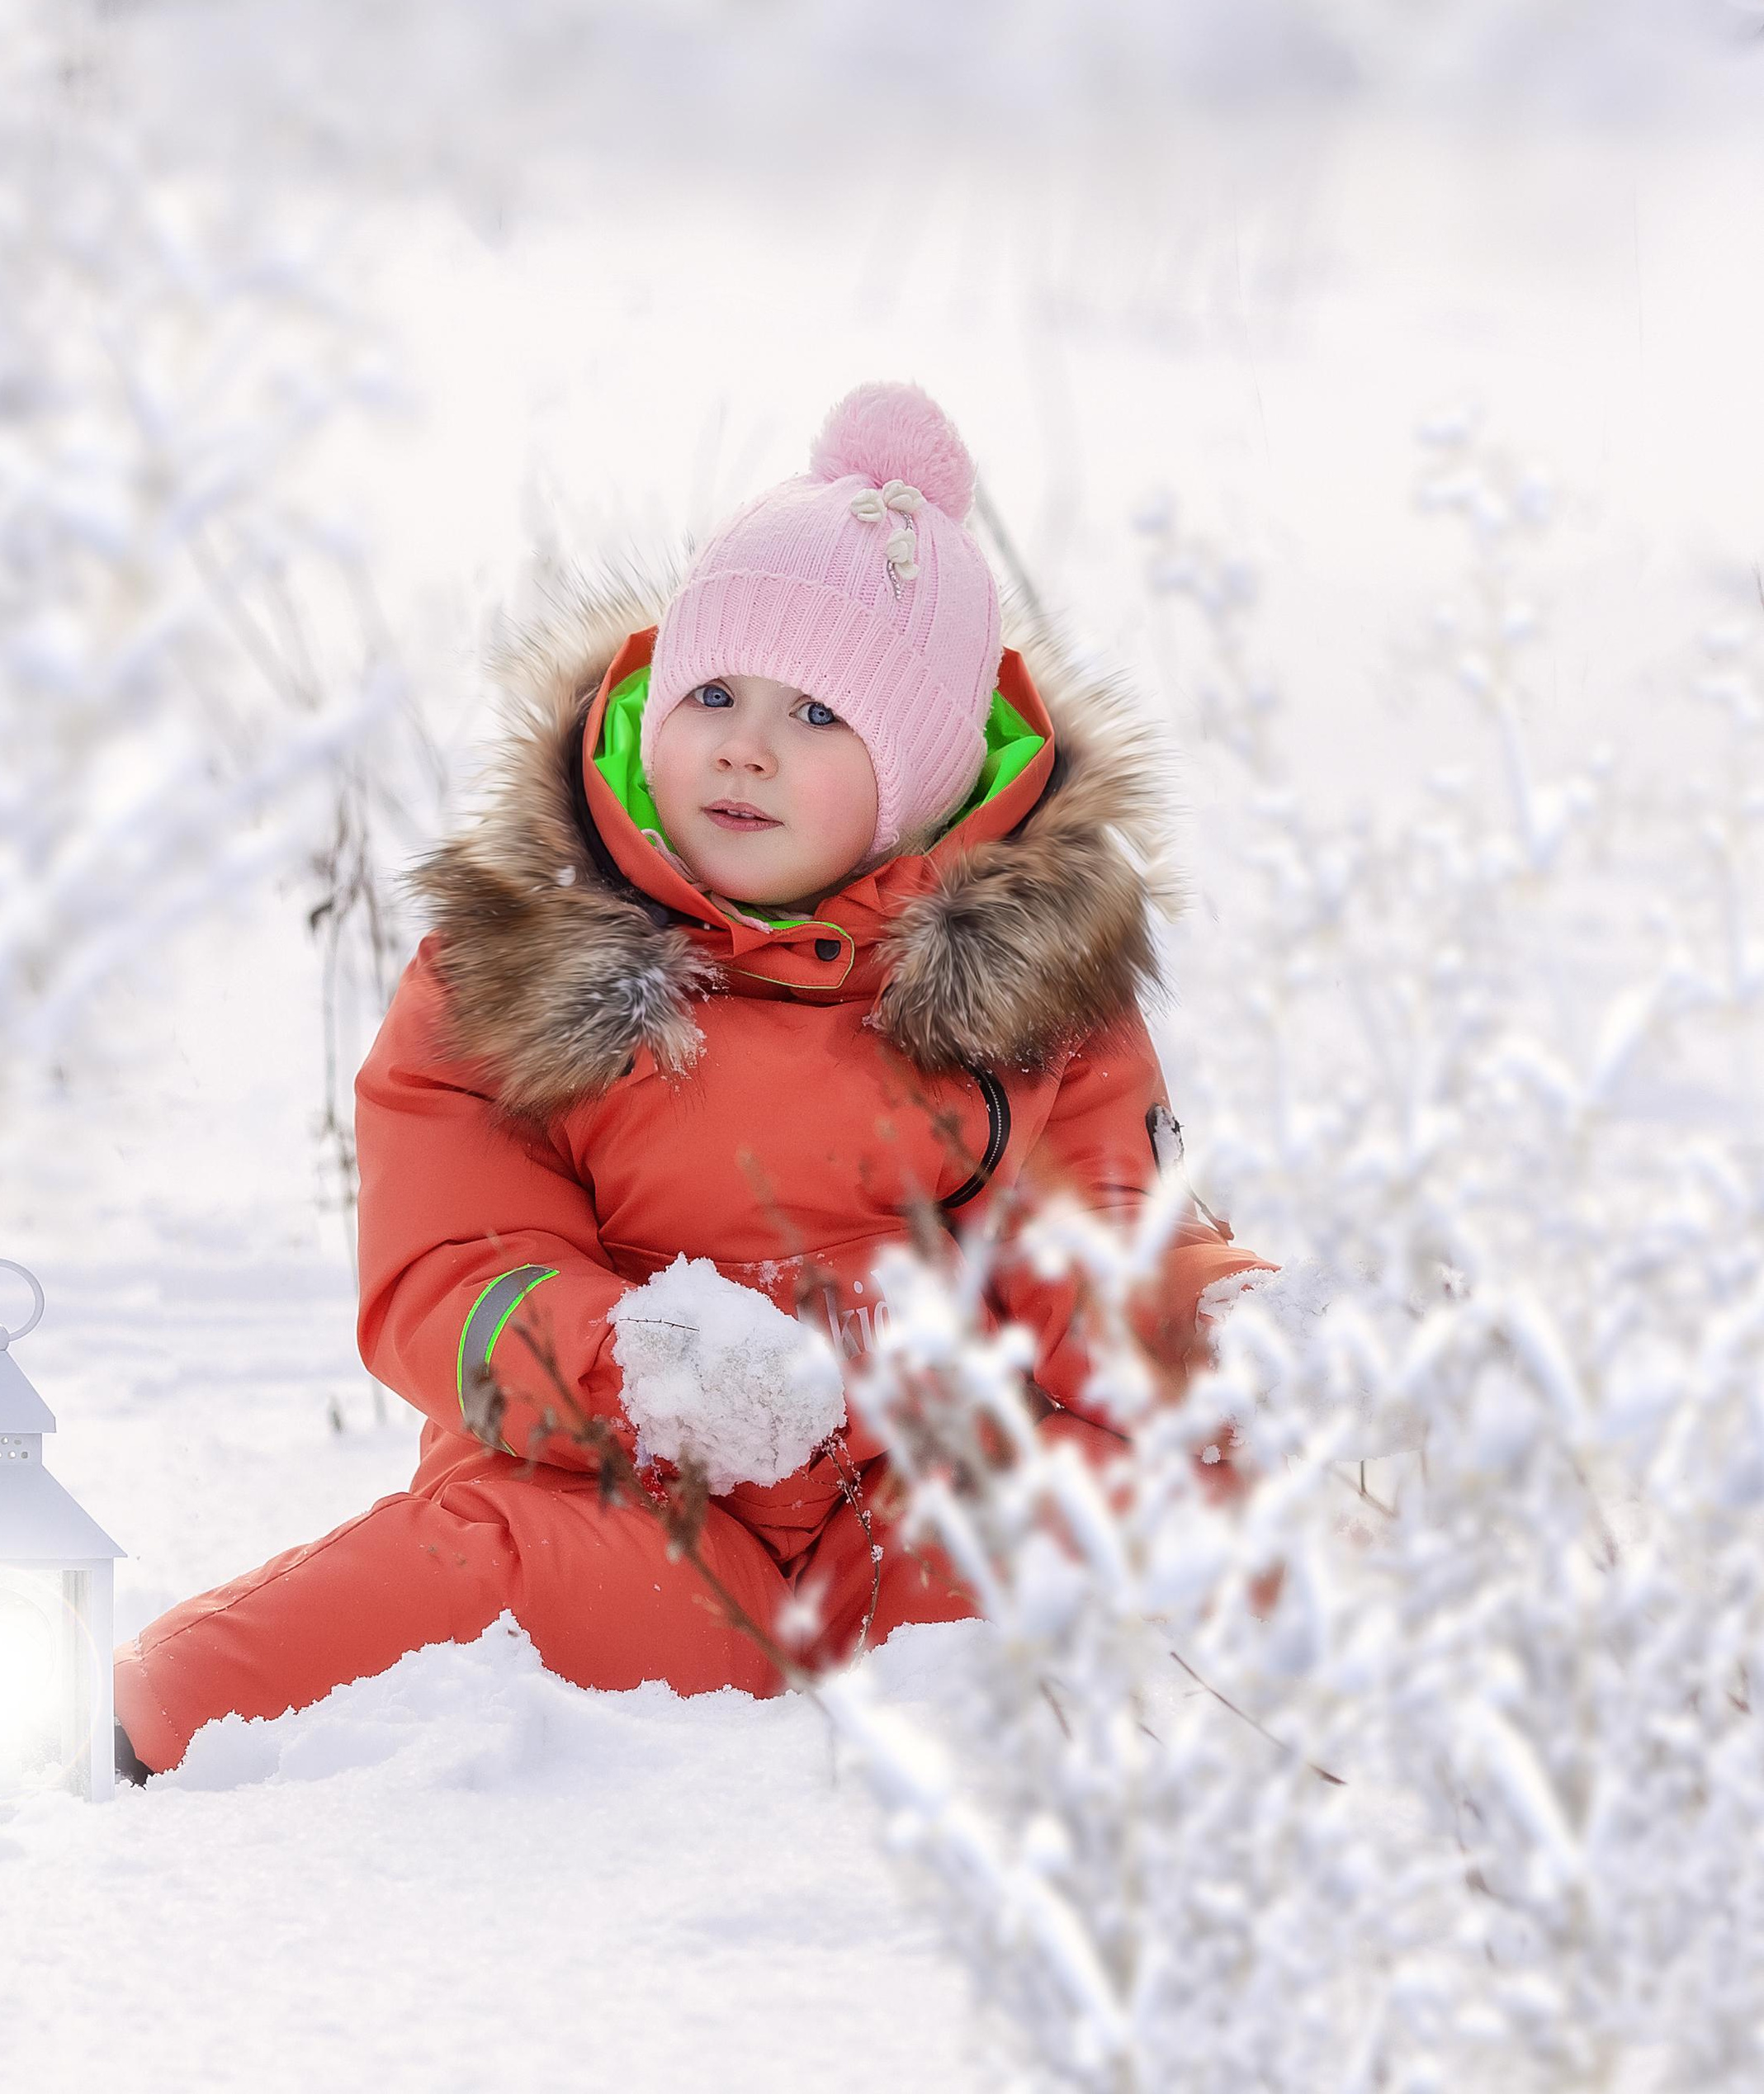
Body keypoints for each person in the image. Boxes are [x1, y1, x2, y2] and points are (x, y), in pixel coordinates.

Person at [111, 381, 1274, 1777]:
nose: (743, 743)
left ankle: (1340, 1689)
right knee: (468, 1572)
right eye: (713, 693)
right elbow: (448, 1268)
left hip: (909, 1513)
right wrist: (649, 1365)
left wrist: (1228, 1328)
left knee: (1192, 1503)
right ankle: (145, 1717)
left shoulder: (1034, 989)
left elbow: (1102, 1249)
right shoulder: (516, 962)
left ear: (920, 781)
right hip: (628, 1504)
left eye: (819, 717)